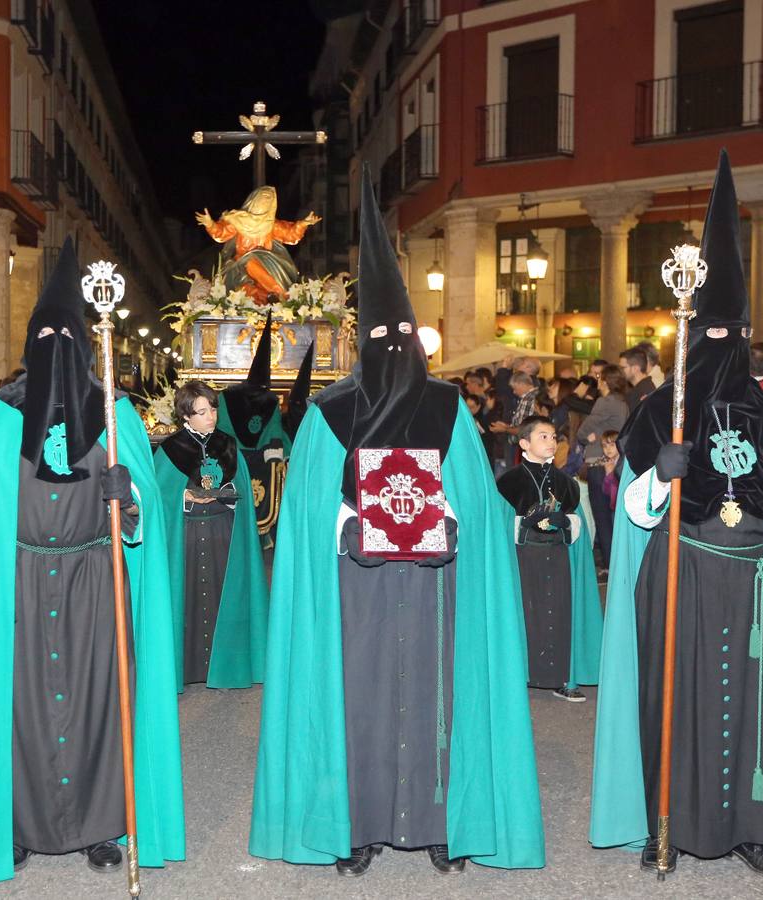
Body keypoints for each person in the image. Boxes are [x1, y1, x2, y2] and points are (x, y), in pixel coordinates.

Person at [250, 171, 544, 876]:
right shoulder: (331, 413)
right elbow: (309, 510)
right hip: (357, 588)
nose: (391, 345)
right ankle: (356, 826)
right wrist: (348, 525)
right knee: (361, 698)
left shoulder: (447, 408)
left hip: (437, 584)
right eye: (378, 334)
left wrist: (444, 518)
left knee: (440, 695)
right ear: (361, 343)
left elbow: (474, 497)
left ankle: (446, 821)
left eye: (400, 333)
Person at [591, 151, 763, 880]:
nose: (725, 348)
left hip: (750, 584)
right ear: (694, 333)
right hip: (681, 578)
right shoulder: (660, 407)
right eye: (715, 334)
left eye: (738, 335)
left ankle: (754, 830)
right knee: (676, 701)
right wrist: (659, 479)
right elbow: (633, 512)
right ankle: (663, 822)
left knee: (754, 709)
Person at [0, 239, 185, 882]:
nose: (56, 347)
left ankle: (101, 825)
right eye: (44, 335)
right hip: (17, 580)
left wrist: (130, 500)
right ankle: (18, 823)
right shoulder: (5, 420)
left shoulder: (116, 413)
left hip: (97, 577)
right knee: (20, 705)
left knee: (100, 700)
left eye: (66, 336)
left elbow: (144, 510)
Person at [154, 380, 267, 690]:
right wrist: (183, 498)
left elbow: (242, 490)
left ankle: (228, 666)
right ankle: (189, 668)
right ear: (185, 416)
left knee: (224, 597)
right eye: (201, 411)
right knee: (187, 598)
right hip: (187, 536)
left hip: (223, 534)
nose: (211, 417)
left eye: (213, 409)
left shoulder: (228, 446)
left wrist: (227, 493)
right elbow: (158, 498)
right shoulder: (170, 450)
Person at [496, 417, 601, 702]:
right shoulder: (508, 482)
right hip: (524, 557)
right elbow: (497, 526)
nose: (551, 441)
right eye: (543, 436)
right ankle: (522, 675)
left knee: (561, 614)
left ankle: (564, 678)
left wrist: (565, 522)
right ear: (524, 443)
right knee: (527, 615)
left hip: (558, 555)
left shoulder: (567, 483)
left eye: (554, 436)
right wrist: (523, 523)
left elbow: (582, 524)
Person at [218, 313, 292, 547]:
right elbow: (274, 435)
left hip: (233, 457)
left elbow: (221, 428)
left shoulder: (226, 396)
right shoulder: (271, 401)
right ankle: (262, 537)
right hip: (262, 461)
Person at [196, 185, 321, 302]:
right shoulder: (237, 220)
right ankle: (266, 299)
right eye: (265, 197)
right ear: (255, 199)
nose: (267, 201)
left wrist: (303, 224)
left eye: (270, 199)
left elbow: (290, 235)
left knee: (251, 260)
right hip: (239, 264)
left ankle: (279, 294)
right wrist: (210, 224)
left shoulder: (271, 224)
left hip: (268, 262)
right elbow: (221, 233)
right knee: (244, 285)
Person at [576, 364, 628, 463]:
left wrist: (585, 439)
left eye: (599, 377)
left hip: (599, 455)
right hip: (615, 456)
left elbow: (583, 431)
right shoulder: (623, 402)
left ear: (604, 382)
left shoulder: (605, 402)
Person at [585, 429, 621, 568]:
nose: (608, 449)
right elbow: (606, 489)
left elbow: (618, 487)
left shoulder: (621, 462)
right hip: (612, 505)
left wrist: (611, 474)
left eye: (611, 445)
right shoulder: (606, 462)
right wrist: (608, 475)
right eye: (605, 446)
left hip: (619, 507)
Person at [620, 347, 655, 412]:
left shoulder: (644, 392)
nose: (620, 371)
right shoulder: (641, 388)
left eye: (623, 368)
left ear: (636, 368)